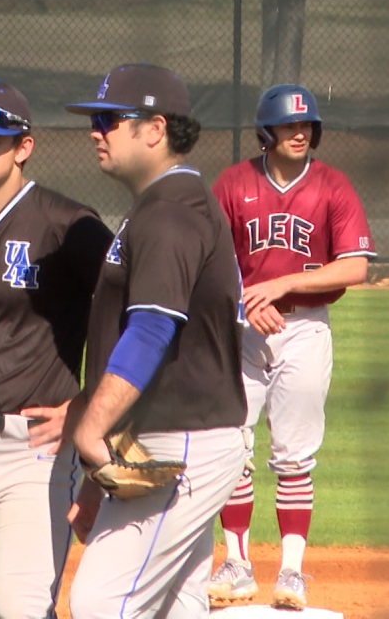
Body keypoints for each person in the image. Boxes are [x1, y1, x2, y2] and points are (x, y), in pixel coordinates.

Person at [63, 63, 248, 618]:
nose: (95, 130)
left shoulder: (169, 212)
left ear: (155, 129)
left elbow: (151, 329)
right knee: (175, 604)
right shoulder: (163, 204)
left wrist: (90, 430)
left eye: (109, 119)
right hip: (173, 435)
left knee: (101, 601)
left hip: (181, 438)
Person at [0, 79, 112, 619]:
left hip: (31, 450)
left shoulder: (68, 225)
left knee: (20, 608)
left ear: (23, 148)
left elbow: (135, 317)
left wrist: (87, 405)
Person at [207, 84, 374, 609]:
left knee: (294, 455)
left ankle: (292, 572)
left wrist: (282, 286)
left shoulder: (331, 185)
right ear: (266, 132)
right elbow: (210, 258)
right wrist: (245, 303)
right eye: (287, 126)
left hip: (304, 329)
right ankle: (235, 563)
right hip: (241, 328)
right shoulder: (234, 183)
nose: (299, 133)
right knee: (231, 444)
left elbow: (355, 266)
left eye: (305, 126)